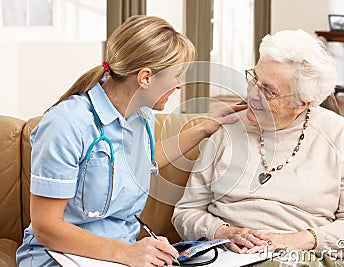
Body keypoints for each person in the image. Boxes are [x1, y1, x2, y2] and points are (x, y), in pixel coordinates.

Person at [16, 15, 246, 267]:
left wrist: (205, 127)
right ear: (145, 77)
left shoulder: (141, 114)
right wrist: (125, 253)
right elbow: (46, 228)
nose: (180, 85)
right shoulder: (66, 124)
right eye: (177, 75)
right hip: (59, 258)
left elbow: (136, 162)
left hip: (120, 256)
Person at [172, 29, 344, 266]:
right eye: (254, 78)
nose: (252, 95)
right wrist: (224, 233)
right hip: (223, 254)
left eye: (269, 90)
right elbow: (185, 213)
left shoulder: (337, 134)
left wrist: (288, 241)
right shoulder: (228, 129)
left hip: (302, 257)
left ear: (302, 103)